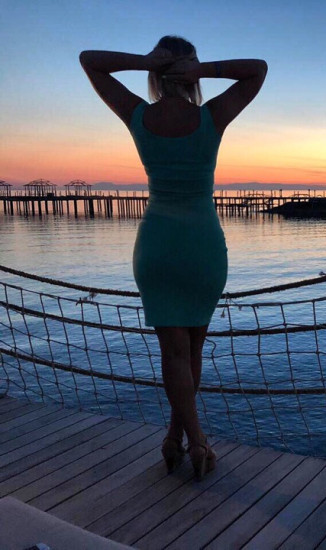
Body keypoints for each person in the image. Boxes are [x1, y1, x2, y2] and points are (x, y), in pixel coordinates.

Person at [80, 36, 267, 480]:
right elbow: (257, 68)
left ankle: (175, 437)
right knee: (193, 348)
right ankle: (196, 442)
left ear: (157, 72)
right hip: (202, 246)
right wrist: (203, 71)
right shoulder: (211, 117)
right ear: (190, 72)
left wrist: (146, 62)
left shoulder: (138, 115)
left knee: (174, 353)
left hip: (158, 246)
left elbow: (90, 60)